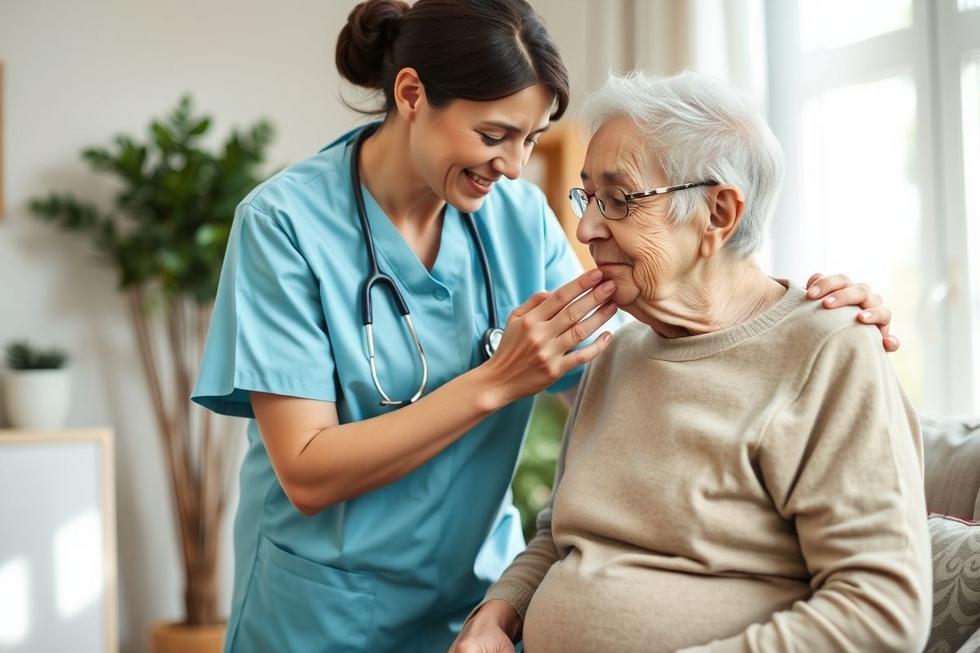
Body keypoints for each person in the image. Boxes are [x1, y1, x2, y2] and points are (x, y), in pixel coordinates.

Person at [191, 2, 899, 651]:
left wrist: (807, 310)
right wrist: (497, 381)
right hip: (326, 611)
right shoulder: (284, 225)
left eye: (530, 138)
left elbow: (666, 320)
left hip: (473, 596)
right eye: (494, 135)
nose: (514, 165)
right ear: (410, 96)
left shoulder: (518, 218)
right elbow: (308, 472)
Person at [451, 71, 931, 653]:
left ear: (719, 214)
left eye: (620, 199)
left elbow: (880, 615)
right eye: (588, 196)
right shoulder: (618, 352)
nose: (585, 227)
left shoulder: (831, 352)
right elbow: (560, 535)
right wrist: (498, 611)